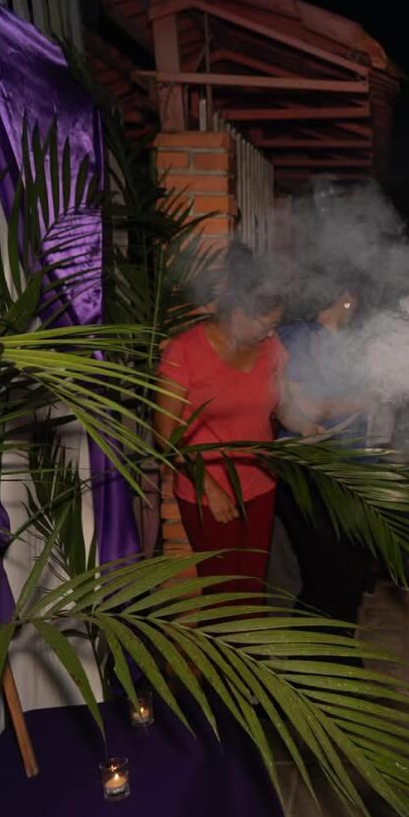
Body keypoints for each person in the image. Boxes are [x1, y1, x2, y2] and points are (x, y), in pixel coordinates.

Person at [154, 243, 318, 595]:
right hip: (207, 493)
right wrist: (210, 489)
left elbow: (283, 406)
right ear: (240, 313)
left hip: (260, 485)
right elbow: (165, 436)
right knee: (223, 598)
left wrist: (307, 426)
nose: (272, 334)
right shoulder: (184, 351)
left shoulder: (271, 349)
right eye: (268, 324)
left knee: (251, 590)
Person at [275, 281, 377, 628]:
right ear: (344, 295)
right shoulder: (296, 337)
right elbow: (302, 408)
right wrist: (361, 400)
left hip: (351, 470)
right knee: (324, 575)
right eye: (353, 295)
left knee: (349, 574)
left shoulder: (348, 342)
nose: (357, 303)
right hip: (310, 473)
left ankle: (339, 648)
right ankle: (315, 651)